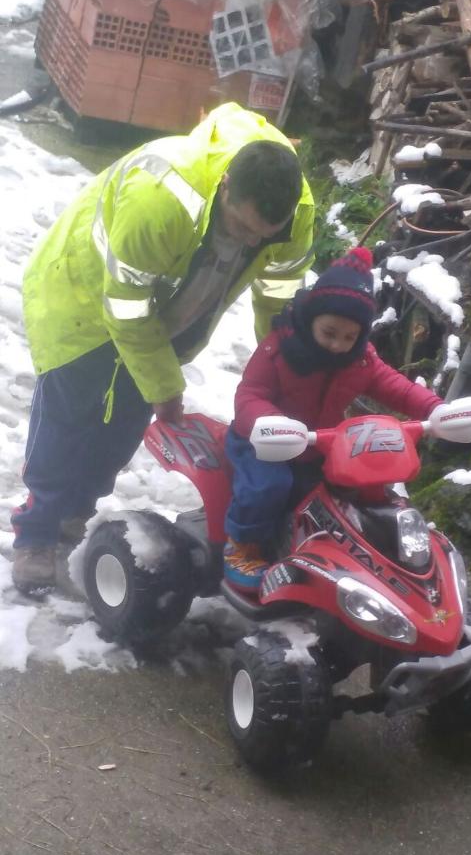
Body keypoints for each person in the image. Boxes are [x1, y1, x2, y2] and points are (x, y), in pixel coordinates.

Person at [12, 101, 314, 594]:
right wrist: (165, 385)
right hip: (84, 295)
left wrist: (287, 372)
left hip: (171, 307)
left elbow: (278, 300)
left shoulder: (297, 213)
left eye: (264, 237)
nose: (249, 243)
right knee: (70, 417)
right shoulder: (162, 197)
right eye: (241, 229)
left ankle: (74, 513)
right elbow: (127, 310)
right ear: (225, 189)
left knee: (121, 428)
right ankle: (37, 531)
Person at [222, 246, 443, 591]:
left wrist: (432, 408)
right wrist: (267, 421)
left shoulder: (360, 360)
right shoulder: (278, 349)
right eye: (329, 333)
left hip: (319, 444)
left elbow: (393, 386)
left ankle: (349, 549)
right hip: (264, 442)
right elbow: (249, 394)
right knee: (269, 486)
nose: (338, 345)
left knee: (351, 488)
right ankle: (241, 546)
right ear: (311, 319)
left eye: (349, 337)